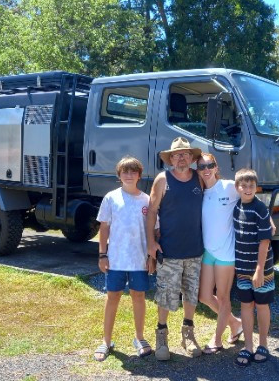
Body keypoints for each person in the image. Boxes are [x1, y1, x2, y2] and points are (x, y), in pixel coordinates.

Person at [147, 136, 204, 361]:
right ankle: (161, 336)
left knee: (191, 293)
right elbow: (152, 211)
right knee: (166, 295)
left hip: (195, 249)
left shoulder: (199, 178)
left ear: (192, 158)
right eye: (177, 155)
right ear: (170, 159)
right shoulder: (163, 179)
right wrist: (151, 242)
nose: (181, 158)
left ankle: (187, 334)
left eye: (186, 154)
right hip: (169, 250)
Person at [94, 156, 154, 361]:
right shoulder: (111, 198)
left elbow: (153, 230)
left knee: (139, 296)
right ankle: (106, 341)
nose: (129, 175)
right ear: (119, 175)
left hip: (139, 260)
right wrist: (102, 254)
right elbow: (104, 227)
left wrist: (151, 256)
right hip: (116, 259)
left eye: (133, 171)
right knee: (113, 297)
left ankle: (139, 337)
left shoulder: (146, 200)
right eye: (125, 172)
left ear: (139, 175)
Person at [196, 153, 243, 354]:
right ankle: (235, 323)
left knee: (223, 298)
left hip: (226, 253)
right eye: (201, 166)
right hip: (208, 252)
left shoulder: (229, 186)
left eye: (210, 165)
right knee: (204, 296)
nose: (206, 169)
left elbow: (252, 197)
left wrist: (268, 221)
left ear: (216, 167)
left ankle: (217, 339)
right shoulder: (199, 192)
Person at [233, 168, 274, 367]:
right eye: (244, 185)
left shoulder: (260, 208)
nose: (247, 189)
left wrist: (259, 270)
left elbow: (265, 241)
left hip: (261, 268)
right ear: (237, 187)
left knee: (262, 304)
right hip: (242, 267)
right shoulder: (236, 206)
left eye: (251, 186)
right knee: (246, 305)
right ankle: (248, 346)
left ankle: (263, 344)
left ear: (256, 188)